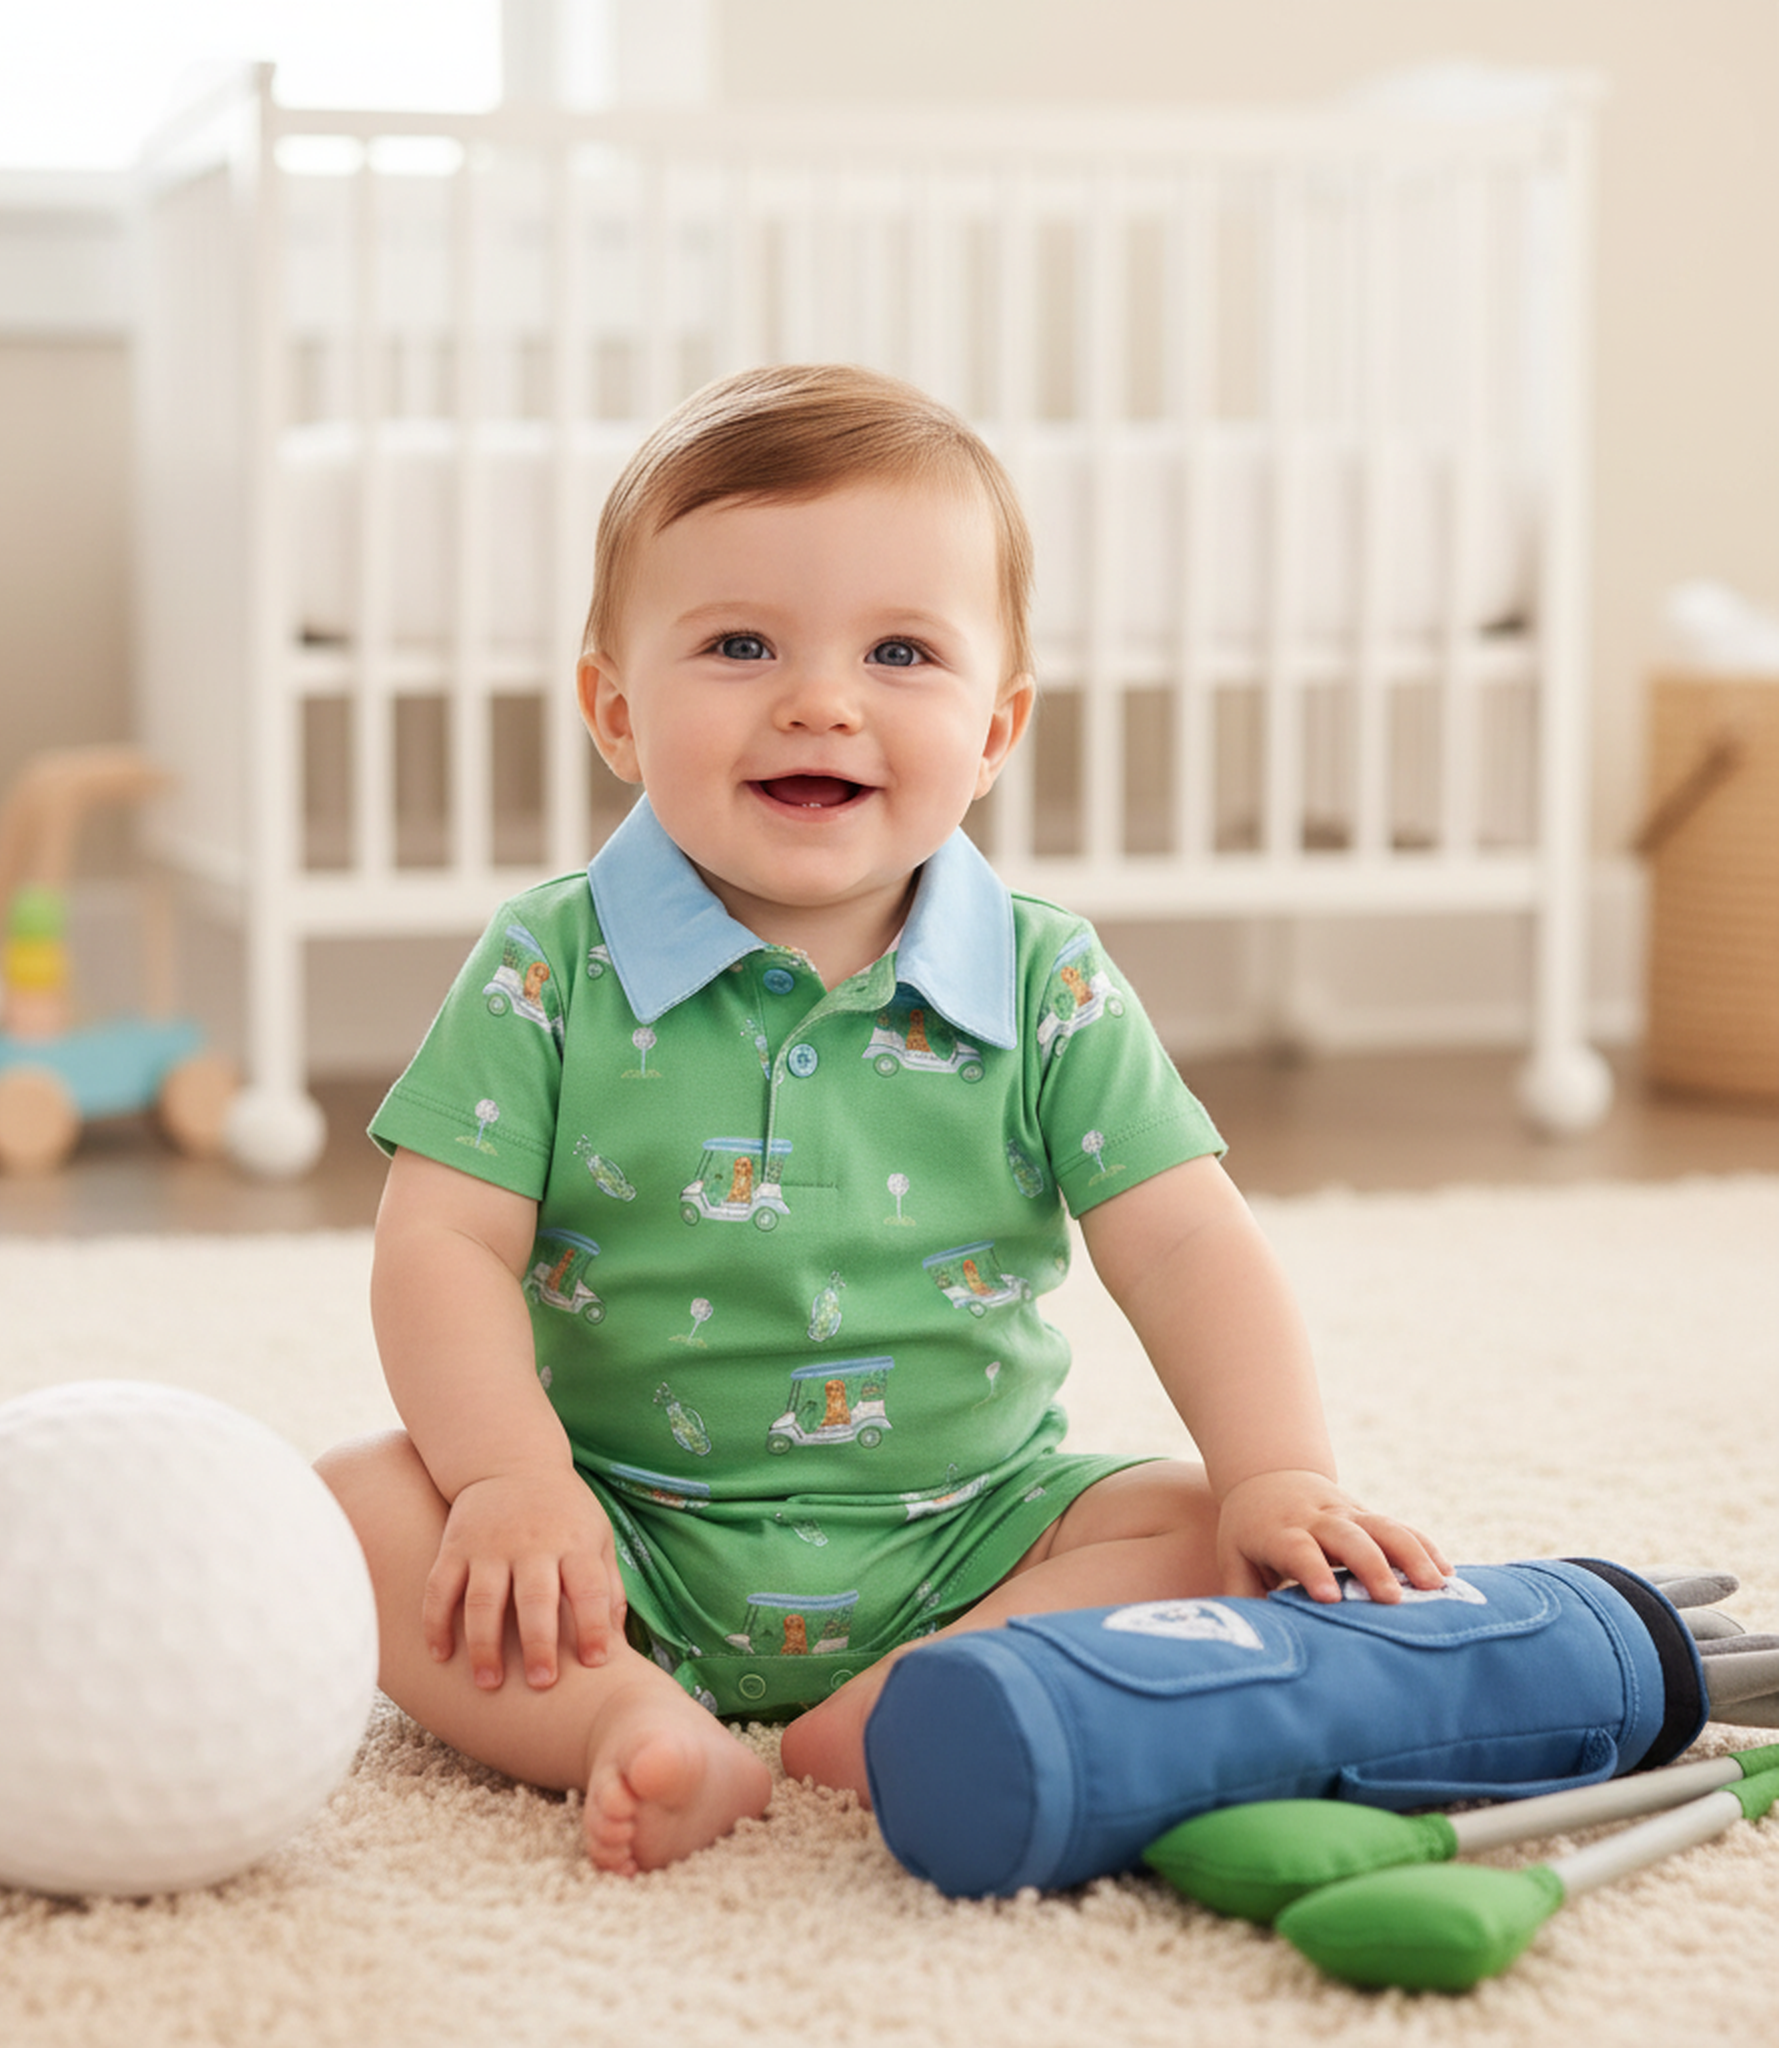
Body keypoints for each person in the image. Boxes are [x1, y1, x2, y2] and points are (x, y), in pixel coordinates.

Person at [316, 363, 1450, 1878]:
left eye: (901, 653)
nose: (821, 701)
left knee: (1206, 1531)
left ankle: (913, 1702)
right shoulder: (548, 964)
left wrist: (1279, 1472)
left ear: (995, 731)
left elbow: (1185, 1241)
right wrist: (515, 1481)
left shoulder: (1047, 980)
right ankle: (627, 1721)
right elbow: (442, 1245)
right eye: (739, 646)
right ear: (615, 710)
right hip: (614, 1534)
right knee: (352, 1512)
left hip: (972, 1532)